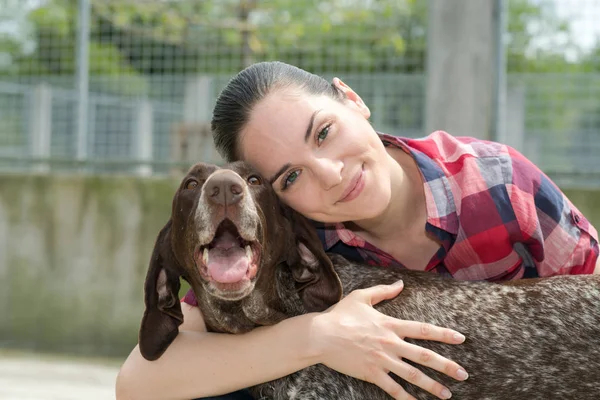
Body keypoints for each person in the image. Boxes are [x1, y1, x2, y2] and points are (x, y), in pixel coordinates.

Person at [116, 61, 600, 400]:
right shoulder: (293, 234)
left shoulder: (499, 182)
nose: (330, 174)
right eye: (291, 176)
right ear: (276, 203)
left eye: (323, 133)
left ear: (351, 99)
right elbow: (140, 382)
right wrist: (319, 335)